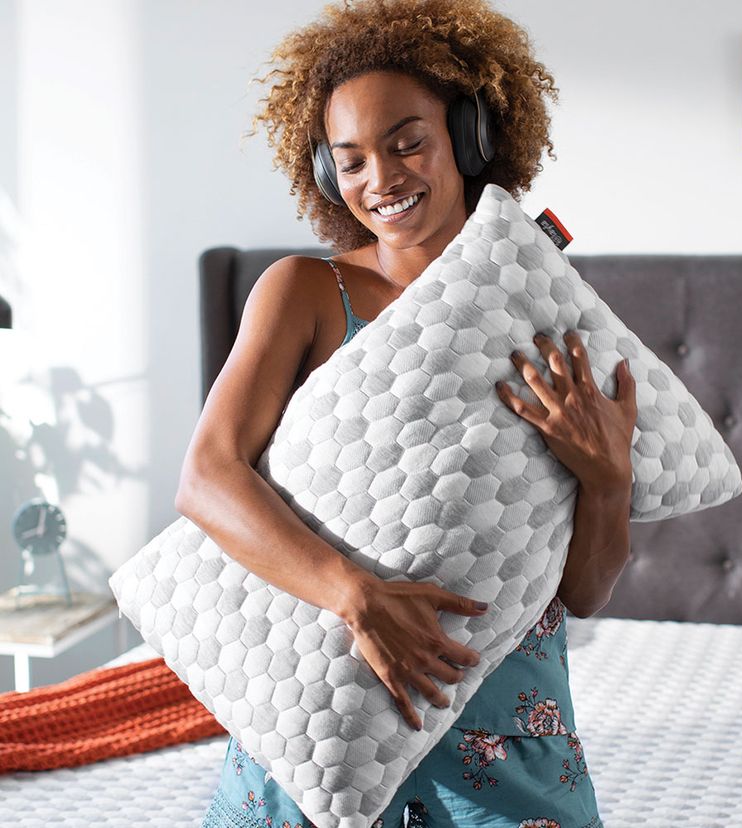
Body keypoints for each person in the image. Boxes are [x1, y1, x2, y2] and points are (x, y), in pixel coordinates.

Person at [186, 1, 636, 825]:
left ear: (468, 139)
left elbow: (586, 590)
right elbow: (207, 478)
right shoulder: (304, 294)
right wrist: (353, 592)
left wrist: (608, 480)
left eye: (406, 144)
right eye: (350, 161)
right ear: (325, 173)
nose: (381, 181)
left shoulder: (542, 312)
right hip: (323, 721)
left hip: (504, 726)